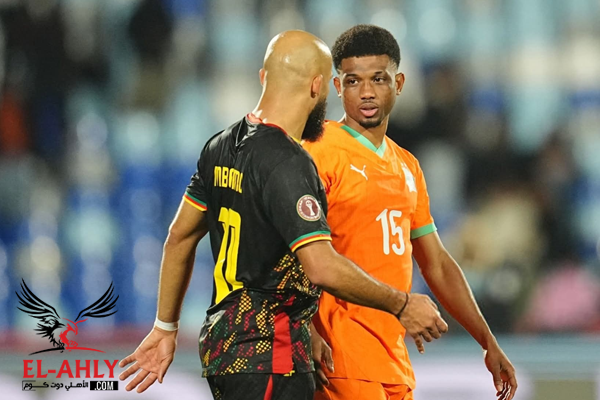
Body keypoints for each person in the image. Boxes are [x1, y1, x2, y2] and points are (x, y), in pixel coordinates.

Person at [118, 30, 447, 400]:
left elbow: (179, 237)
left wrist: (165, 327)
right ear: (318, 87)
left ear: (264, 77)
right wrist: (401, 303)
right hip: (270, 353)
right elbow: (320, 266)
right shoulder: (289, 163)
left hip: (224, 350)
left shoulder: (220, 146)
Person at [303, 25, 518, 400]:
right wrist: (306, 327)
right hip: (340, 356)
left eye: (378, 79)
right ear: (337, 86)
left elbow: (437, 264)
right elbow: (285, 247)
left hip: (394, 360)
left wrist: (487, 340)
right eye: (353, 81)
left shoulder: (407, 166)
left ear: (398, 83)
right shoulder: (317, 151)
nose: (366, 92)